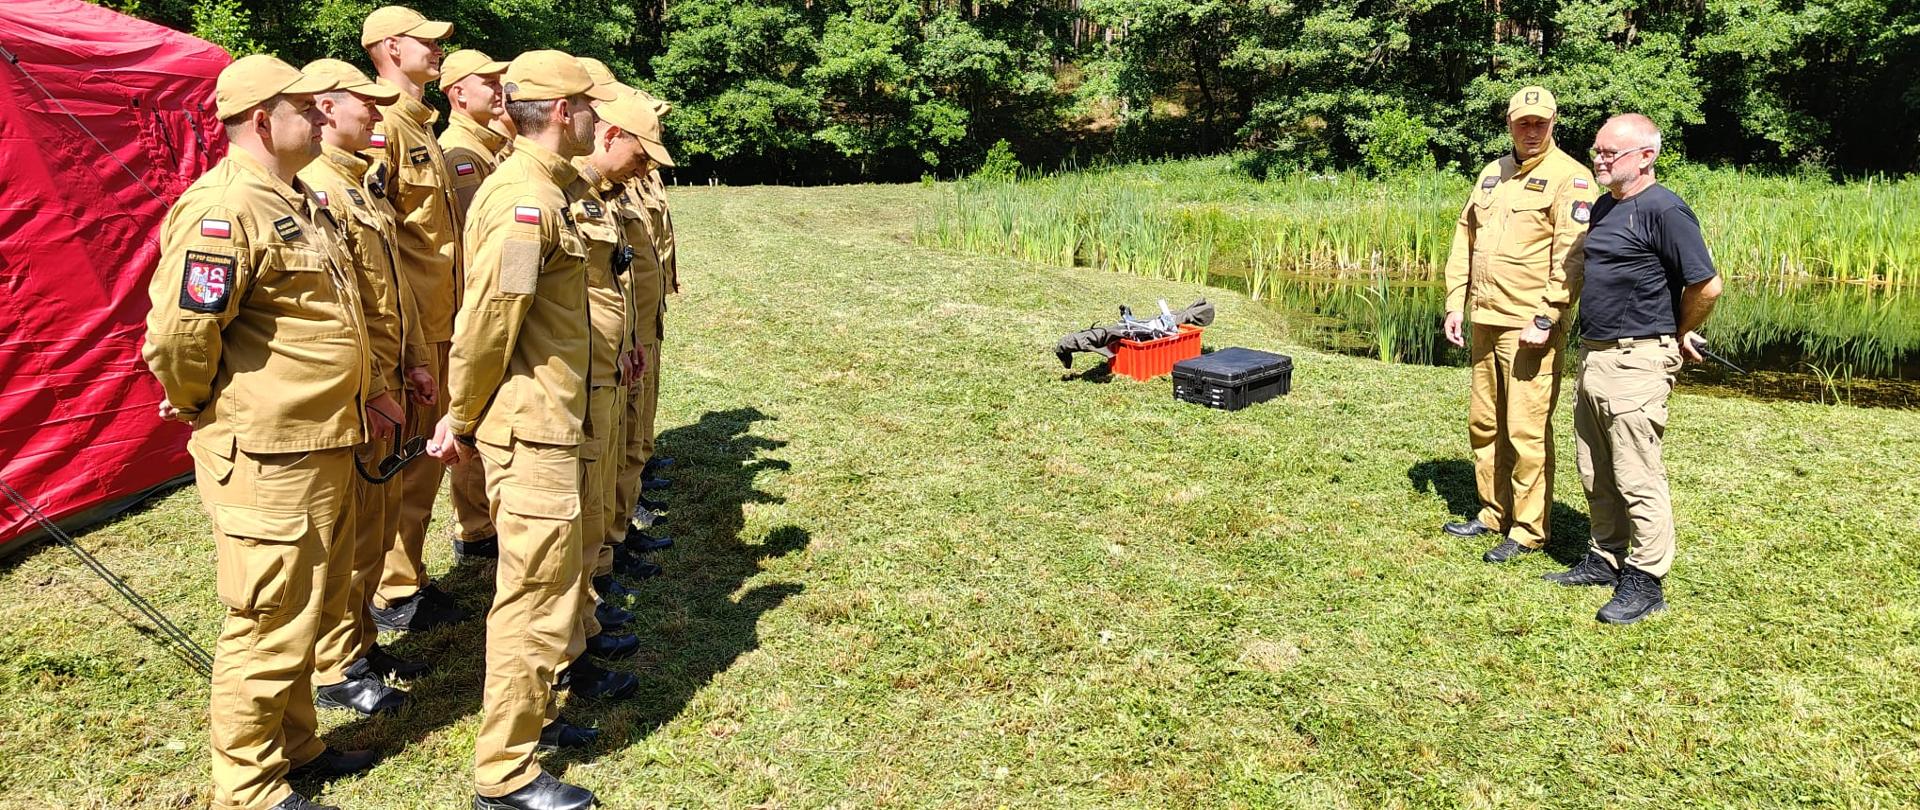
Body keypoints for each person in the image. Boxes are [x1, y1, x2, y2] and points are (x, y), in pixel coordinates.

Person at [142, 54, 378, 810]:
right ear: (259, 120)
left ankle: (296, 743)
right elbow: (180, 338)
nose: (319, 116)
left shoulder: (297, 197)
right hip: (272, 450)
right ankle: (247, 788)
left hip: (322, 439)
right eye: (304, 108)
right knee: (269, 620)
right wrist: (205, 405)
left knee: (309, 605)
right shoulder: (224, 208)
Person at [425, 50, 614, 810]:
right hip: (529, 427)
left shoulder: (547, 190)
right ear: (564, 113)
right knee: (531, 596)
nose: (599, 120)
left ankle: (533, 719)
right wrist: (462, 416)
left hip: (554, 418)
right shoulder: (521, 201)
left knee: (554, 585)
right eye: (590, 107)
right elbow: (488, 324)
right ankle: (504, 774)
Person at [296, 57, 435, 717]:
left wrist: (412, 359)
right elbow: (341, 312)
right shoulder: (318, 187)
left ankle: (362, 640)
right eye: (364, 103)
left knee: (376, 527)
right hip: (360, 394)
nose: (377, 114)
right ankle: (336, 663)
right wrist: (375, 384)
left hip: (389, 384)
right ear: (326, 105)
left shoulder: (360, 183)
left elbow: (391, 289)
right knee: (351, 536)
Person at [1544, 113, 1722, 624]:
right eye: (1597, 150)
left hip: (1638, 358)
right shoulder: (1605, 206)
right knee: (1594, 465)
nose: (1599, 159)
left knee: (1637, 474)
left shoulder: (1666, 210)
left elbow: (1706, 285)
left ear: (1646, 156)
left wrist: (1678, 331)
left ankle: (1645, 580)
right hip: (1597, 354)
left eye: (1609, 153)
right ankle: (1605, 556)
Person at [1439, 85, 1599, 563]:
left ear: (1553, 124)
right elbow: (1464, 239)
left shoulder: (1570, 179)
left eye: (1540, 123)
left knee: (1524, 430)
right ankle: (1493, 513)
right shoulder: (1492, 174)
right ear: (1509, 124)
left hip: (1529, 325)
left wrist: (1549, 314)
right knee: (1484, 423)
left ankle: (1528, 530)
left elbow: (1572, 257)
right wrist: (1454, 302)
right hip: (1485, 316)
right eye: (1522, 122)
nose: (1531, 131)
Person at [551, 88, 667, 707]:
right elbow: (497, 312)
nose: (645, 167)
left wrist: (626, 341)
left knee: (590, 512)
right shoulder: (538, 197)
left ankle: (586, 625)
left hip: (604, 364)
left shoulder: (590, 193)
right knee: (555, 552)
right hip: (559, 391)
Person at [361, 5, 474, 630]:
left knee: (425, 463)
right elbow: (379, 239)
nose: (436, 51)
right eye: (427, 43)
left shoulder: (420, 124)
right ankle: (392, 591)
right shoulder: (385, 126)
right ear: (392, 47)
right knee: (404, 465)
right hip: (415, 327)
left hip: (442, 319)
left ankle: (408, 577)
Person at [435, 46, 512, 562]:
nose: (498, 88)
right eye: (488, 81)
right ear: (458, 93)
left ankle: (482, 519)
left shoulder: (487, 149)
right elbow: (473, 242)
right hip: (470, 304)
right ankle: (476, 526)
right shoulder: (461, 153)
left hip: (481, 303)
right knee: (469, 417)